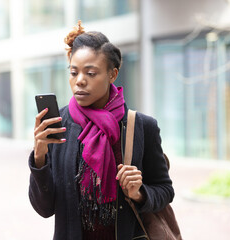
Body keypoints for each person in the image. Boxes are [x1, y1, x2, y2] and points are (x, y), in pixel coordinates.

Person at [28, 21, 174, 240]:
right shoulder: (58, 124)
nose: (80, 81)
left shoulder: (143, 127)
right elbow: (44, 209)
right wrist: (39, 157)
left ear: (112, 74)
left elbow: (164, 190)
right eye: (74, 72)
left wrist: (139, 193)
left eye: (91, 73)